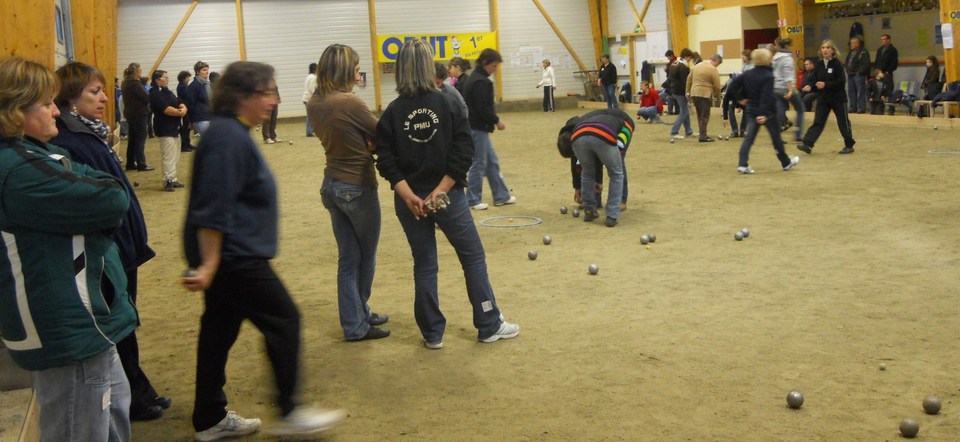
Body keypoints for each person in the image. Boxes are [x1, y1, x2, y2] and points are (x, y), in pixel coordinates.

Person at [181, 61, 346, 440]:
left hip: (230, 255)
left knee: (218, 331)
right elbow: (212, 205)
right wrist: (209, 263)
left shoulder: (232, 133)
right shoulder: (226, 138)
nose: (274, 100)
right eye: (268, 93)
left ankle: (209, 417)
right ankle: (289, 411)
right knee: (284, 319)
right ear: (243, 97)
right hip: (234, 258)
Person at [0, 56, 136, 442]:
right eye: (46, 103)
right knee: (80, 427)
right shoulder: (17, 170)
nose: (56, 110)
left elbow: (101, 184)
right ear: (15, 111)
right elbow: (111, 198)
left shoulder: (32, 156)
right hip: (66, 326)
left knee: (109, 415)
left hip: (83, 321)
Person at [375, 39, 520, 349]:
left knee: (425, 263)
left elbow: (386, 159)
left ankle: (432, 333)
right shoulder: (449, 103)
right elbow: (464, 151)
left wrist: (408, 195)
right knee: (472, 257)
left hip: (410, 201)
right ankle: (488, 323)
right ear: (430, 66)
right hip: (447, 197)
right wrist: (439, 193)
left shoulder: (393, 111)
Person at [49, 61, 171, 422]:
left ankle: (138, 389)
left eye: (102, 91)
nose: (103, 98)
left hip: (122, 245)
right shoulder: (70, 139)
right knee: (117, 325)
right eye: (94, 92)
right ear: (71, 98)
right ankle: (133, 397)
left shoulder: (88, 132)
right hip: (108, 250)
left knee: (125, 321)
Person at [308, 44, 389, 342]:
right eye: (356, 69)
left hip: (331, 184)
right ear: (344, 70)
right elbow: (384, 134)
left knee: (348, 258)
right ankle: (356, 322)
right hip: (357, 186)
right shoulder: (350, 102)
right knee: (365, 257)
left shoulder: (315, 101)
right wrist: (371, 143)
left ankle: (358, 315)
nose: (359, 74)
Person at [725, 49, 800, 174]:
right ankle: (786, 162)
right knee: (776, 137)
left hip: (751, 109)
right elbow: (766, 95)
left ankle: (742, 164)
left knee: (749, 138)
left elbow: (732, 86)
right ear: (768, 60)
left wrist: (739, 99)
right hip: (767, 112)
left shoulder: (747, 74)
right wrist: (763, 114)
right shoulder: (769, 76)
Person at [463, 48, 516, 210]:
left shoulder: (477, 78)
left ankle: (501, 196)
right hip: (476, 128)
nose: (494, 70)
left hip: (479, 128)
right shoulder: (480, 82)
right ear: (485, 63)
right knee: (479, 163)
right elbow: (482, 108)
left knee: (491, 162)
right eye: (493, 66)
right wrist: (497, 121)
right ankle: (472, 199)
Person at [563, 108, 633, 227]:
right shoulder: (627, 122)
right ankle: (612, 215)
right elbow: (619, 148)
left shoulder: (585, 119)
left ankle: (589, 209)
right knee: (616, 174)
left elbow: (581, 162)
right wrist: (611, 162)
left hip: (578, 137)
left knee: (587, 173)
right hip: (603, 135)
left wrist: (588, 182)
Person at [798, 39, 856, 155]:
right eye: (823, 47)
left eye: (828, 47)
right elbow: (814, 79)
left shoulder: (837, 64)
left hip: (838, 98)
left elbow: (841, 82)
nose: (825, 50)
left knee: (843, 122)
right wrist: (810, 86)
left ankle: (849, 145)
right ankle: (807, 144)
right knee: (818, 121)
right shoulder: (818, 65)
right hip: (823, 98)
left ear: (833, 50)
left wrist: (826, 84)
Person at [149, 69, 188, 191]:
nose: (167, 80)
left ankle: (173, 177)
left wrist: (183, 107)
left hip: (175, 127)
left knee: (175, 155)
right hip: (165, 128)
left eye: (167, 77)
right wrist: (179, 113)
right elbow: (165, 108)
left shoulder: (167, 91)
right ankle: (168, 180)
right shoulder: (154, 93)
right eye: (164, 78)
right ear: (157, 80)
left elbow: (178, 101)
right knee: (169, 155)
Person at [121, 62, 153, 171]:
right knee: (140, 139)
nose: (141, 72)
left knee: (133, 139)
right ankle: (141, 163)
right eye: (140, 70)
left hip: (130, 114)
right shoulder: (135, 84)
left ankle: (130, 163)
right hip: (139, 114)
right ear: (136, 72)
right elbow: (146, 97)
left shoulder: (125, 83)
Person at [686, 54, 722, 142]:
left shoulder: (697, 66)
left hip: (694, 93)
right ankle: (703, 136)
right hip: (705, 94)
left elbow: (689, 79)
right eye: (718, 64)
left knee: (699, 115)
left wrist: (687, 92)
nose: (717, 66)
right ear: (716, 61)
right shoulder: (713, 69)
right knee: (705, 115)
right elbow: (717, 86)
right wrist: (718, 97)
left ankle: (702, 133)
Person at [773, 38, 804, 142]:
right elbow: (788, 75)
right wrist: (791, 90)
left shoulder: (775, 57)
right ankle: (798, 133)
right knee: (800, 109)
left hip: (776, 87)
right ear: (787, 46)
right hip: (786, 87)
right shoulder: (787, 58)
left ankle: (776, 136)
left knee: (780, 111)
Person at [668, 48, 693, 139]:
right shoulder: (683, 67)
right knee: (684, 112)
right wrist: (688, 93)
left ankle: (688, 131)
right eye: (690, 58)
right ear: (686, 56)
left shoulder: (674, 64)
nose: (690, 60)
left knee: (684, 110)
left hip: (673, 90)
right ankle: (674, 132)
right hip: (680, 92)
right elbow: (684, 82)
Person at [845, 37, 870, 114]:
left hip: (858, 75)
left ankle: (861, 108)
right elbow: (847, 62)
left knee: (860, 91)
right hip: (850, 74)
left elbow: (866, 64)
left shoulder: (863, 52)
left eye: (853, 43)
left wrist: (859, 72)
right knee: (851, 91)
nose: (851, 44)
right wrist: (847, 69)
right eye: (851, 43)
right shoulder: (850, 52)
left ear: (858, 43)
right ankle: (853, 107)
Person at [186, 61, 212, 135]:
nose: (207, 72)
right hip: (201, 119)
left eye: (207, 69)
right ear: (197, 72)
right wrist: (192, 121)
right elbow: (190, 105)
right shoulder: (194, 86)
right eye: (204, 70)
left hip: (209, 117)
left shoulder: (206, 84)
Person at [176, 70, 196, 151]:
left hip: (187, 108)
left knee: (187, 128)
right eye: (188, 77)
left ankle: (187, 143)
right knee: (185, 128)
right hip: (185, 109)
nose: (188, 79)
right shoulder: (182, 87)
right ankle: (184, 145)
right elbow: (188, 97)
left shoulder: (184, 86)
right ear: (184, 78)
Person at [302, 62, 317, 137]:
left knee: (311, 115)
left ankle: (311, 130)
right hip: (309, 98)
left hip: (306, 98)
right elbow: (312, 89)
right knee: (311, 115)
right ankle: (309, 131)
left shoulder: (308, 76)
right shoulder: (313, 78)